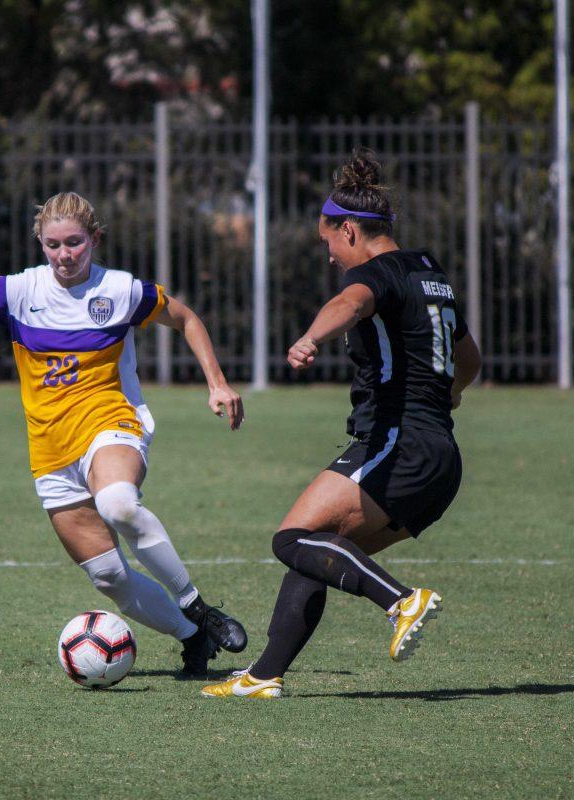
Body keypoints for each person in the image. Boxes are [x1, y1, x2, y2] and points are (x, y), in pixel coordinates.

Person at [0, 191, 248, 675]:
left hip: (109, 421)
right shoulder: (19, 291)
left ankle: (198, 607)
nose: (64, 255)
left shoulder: (121, 290)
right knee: (110, 577)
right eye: (53, 245)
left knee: (118, 504)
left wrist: (218, 383)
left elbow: (186, 318)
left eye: (74, 243)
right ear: (40, 243)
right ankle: (193, 636)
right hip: (49, 449)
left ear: (95, 239)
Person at [202, 149, 481, 699]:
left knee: (290, 539)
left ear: (350, 230)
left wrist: (310, 338)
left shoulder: (375, 274)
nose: (329, 255)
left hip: (398, 445)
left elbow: (350, 304)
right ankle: (262, 677)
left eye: (328, 241)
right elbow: (468, 361)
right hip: (440, 455)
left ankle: (402, 602)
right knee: (320, 551)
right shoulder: (432, 275)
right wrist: (442, 400)